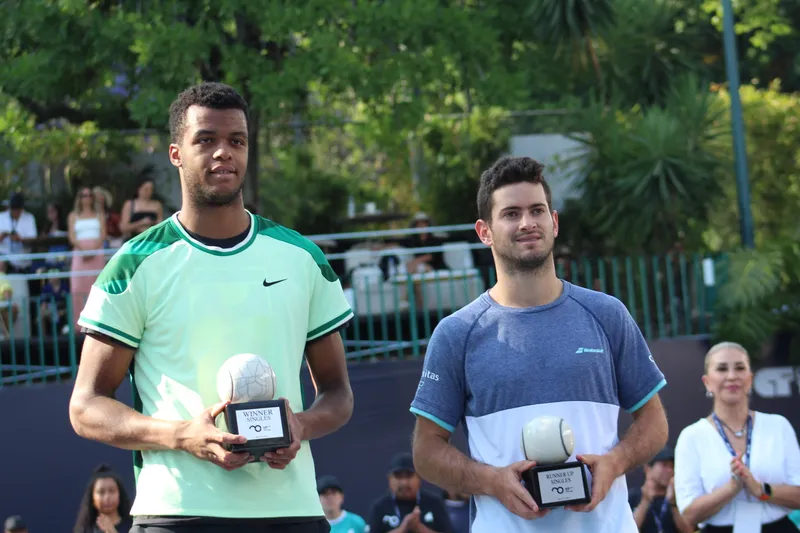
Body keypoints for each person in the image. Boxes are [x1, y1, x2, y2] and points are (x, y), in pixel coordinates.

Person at [68, 81, 355, 533]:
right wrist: (183, 436)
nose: (224, 152)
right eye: (206, 140)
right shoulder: (133, 264)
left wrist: (299, 426)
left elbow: (337, 394)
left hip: (291, 512)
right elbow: (86, 407)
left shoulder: (302, 258)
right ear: (176, 153)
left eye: (236, 141)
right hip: (178, 513)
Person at [408, 156, 670, 533]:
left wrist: (614, 463)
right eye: (511, 213)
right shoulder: (457, 332)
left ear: (554, 221)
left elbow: (654, 421)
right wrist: (492, 481)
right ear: (484, 231)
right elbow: (427, 451)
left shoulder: (606, 314)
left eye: (537, 211)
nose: (527, 223)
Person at [674, 342, 800, 532]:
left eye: (740, 368)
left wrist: (761, 490)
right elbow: (689, 513)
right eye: (722, 369)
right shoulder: (691, 436)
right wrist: (732, 488)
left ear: (750, 379)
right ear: (707, 381)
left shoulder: (778, 426)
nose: (732, 376)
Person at [367, 452, 453, 533]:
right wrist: (402, 528)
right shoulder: (380, 507)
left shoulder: (434, 503)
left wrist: (420, 528)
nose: (404, 483)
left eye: (409, 475)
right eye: (398, 476)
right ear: (389, 479)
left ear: (419, 478)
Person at [628, 447, 693, 533]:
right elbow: (628, 529)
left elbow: (689, 530)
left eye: (672, 466)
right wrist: (645, 501)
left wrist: (673, 504)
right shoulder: (634, 496)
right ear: (648, 468)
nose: (669, 470)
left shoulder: (679, 496)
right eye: (664, 465)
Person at [68, 186, 107, 326]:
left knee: (97, 286)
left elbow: (103, 234)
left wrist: (93, 249)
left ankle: (98, 322)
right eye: (83, 195)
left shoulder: (99, 214)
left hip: (96, 251)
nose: (87, 198)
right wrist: (83, 250)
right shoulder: (73, 216)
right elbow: (72, 236)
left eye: (89, 195)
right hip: (80, 252)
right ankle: (78, 324)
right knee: (78, 288)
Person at [73, 464, 133, 533]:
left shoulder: (133, 526)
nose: (107, 497)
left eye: (112, 491)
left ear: (120, 494)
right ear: (92, 497)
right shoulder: (85, 529)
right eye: (101, 492)